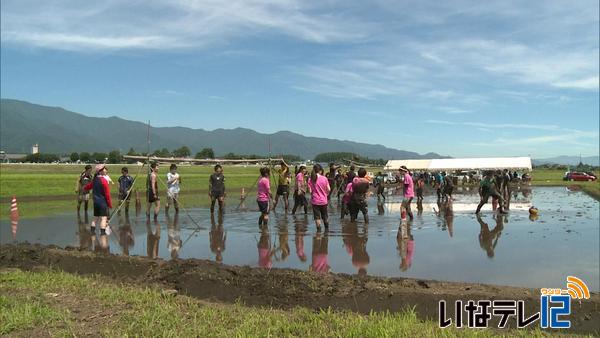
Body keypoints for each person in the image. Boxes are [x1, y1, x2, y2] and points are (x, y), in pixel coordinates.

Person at [83, 164, 113, 236]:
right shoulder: (104, 181)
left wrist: (84, 188)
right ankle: (103, 233)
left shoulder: (95, 180)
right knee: (104, 218)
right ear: (100, 171)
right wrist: (110, 204)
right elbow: (107, 194)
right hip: (102, 202)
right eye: (104, 169)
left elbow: (88, 187)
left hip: (96, 202)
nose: (105, 170)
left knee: (95, 217)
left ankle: (92, 232)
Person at [308, 164, 331, 229]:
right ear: (320, 171)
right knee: (325, 216)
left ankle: (318, 232)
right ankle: (326, 230)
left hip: (315, 201)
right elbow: (329, 189)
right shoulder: (324, 178)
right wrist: (326, 194)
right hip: (324, 200)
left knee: (317, 217)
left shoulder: (311, 179)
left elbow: (310, 191)